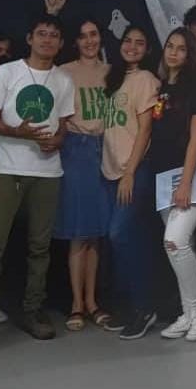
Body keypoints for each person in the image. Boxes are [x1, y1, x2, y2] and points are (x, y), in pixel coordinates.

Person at [0, 14, 75, 352]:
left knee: (40, 248)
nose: (47, 40)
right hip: (7, 169)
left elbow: (64, 124)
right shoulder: (8, 72)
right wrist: (18, 132)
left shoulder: (64, 79)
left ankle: (33, 310)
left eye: (54, 35)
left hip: (48, 173)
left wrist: (59, 140)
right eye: (42, 33)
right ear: (29, 38)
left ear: (60, 43)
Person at [150, 28, 196, 342]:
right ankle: (188, 312)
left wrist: (186, 183)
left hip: (194, 173)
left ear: (190, 55)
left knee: (175, 240)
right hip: (164, 176)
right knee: (177, 246)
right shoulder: (161, 88)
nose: (174, 52)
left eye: (181, 48)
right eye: (170, 46)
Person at [99, 23, 161, 340]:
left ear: (147, 49)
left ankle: (145, 307)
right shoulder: (114, 78)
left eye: (140, 43)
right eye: (128, 41)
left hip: (134, 171)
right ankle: (131, 307)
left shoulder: (146, 79)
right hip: (111, 171)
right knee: (127, 241)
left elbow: (146, 130)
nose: (132, 46)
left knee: (120, 234)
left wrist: (130, 173)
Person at [57, 18, 113, 331]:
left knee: (95, 233)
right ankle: (76, 304)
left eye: (94, 34)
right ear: (75, 42)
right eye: (83, 36)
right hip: (77, 150)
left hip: (106, 149)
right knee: (78, 232)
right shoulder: (64, 72)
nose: (89, 41)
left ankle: (93, 301)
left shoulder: (112, 72)